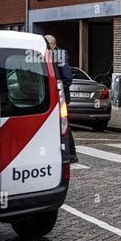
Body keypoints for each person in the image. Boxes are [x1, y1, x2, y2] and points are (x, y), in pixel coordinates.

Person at [44, 35, 78, 163]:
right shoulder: (50, 54)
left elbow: (67, 77)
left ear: (52, 44)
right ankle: (67, 152)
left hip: (60, 97)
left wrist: (56, 92)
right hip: (55, 96)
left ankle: (71, 153)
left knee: (63, 124)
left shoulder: (60, 55)